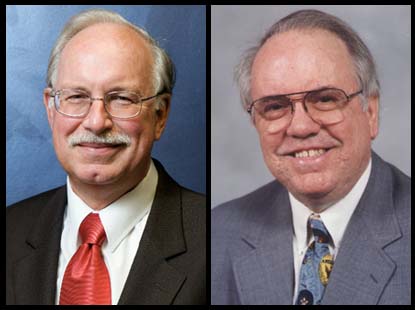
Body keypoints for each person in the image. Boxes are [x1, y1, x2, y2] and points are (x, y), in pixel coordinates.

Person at [7, 9, 205, 305]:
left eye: (122, 98)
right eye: (76, 96)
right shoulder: (10, 231)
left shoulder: (211, 238)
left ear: (160, 115)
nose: (97, 122)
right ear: (51, 109)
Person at [211, 9, 410, 305]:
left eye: (326, 99)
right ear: (256, 121)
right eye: (275, 106)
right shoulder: (218, 233)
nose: (301, 127)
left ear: (370, 112)